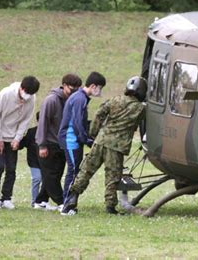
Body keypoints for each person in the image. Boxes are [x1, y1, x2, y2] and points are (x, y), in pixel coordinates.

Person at [62, 76, 147, 215]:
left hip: (100, 141)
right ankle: (110, 207)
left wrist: (93, 133)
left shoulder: (115, 100)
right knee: (112, 177)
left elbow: (99, 113)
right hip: (116, 146)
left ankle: (71, 199)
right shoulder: (140, 108)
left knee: (86, 171)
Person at [0, 76, 40, 210]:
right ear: (21, 88)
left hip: (12, 137)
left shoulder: (31, 98)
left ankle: (6, 198)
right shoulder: (5, 94)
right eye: (26, 93)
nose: (27, 98)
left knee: (11, 168)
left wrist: (17, 138)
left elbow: (25, 120)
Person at [34, 74, 82, 211]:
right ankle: (62, 202)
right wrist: (42, 145)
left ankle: (40, 200)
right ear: (64, 85)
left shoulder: (72, 100)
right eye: (72, 88)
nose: (74, 92)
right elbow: (43, 123)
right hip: (49, 143)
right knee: (51, 176)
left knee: (56, 174)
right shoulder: (51, 100)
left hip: (62, 142)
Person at [58, 71, 106, 201]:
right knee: (73, 172)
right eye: (100, 88)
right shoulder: (80, 99)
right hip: (71, 139)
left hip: (75, 140)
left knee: (74, 171)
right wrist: (86, 139)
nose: (100, 92)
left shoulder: (81, 97)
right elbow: (77, 123)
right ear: (93, 86)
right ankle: (66, 204)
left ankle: (68, 202)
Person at [18, 113, 40, 207]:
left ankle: (43, 201)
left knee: (48, 181)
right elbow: (22, 144)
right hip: (34, 162)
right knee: (37, 179)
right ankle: (34, 202)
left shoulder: (51, 132)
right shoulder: (31, 132)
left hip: (48, 163)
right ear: (38, 121)